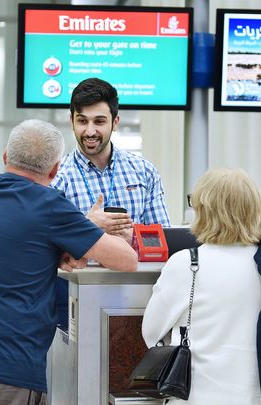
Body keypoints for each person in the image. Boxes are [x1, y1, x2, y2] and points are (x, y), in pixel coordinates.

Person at [0, 119, 137, 404]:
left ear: (5, 156)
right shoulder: (50, 205)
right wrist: (85, 230)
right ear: (55, 170)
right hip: (6, 381)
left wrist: (57, 251)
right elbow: (127, 260)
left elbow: (11, 242)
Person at [141, 168, 261, 405]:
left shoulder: (186, 263)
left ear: (206, 210)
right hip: (258, 397)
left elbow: (151, 333)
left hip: (196, 397)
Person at [51, 77, 171, 327]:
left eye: (99, 121)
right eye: (82, 121)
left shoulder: (144, 171)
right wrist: (87, 225)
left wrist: (133, 239)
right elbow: (43, 246)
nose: (90, 131)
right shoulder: (55, 176)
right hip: (77, 298)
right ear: (71, 119)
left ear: (115, 122)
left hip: (140, 299)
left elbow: (163, 242)